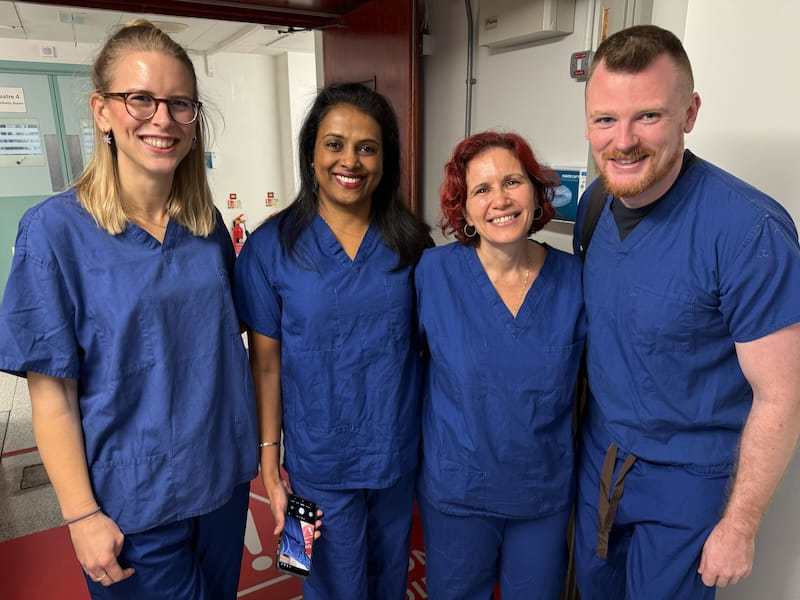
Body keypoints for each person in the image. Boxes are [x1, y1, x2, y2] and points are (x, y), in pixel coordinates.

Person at [0, 20, 259, 599]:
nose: (162, 119)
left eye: (179, 103)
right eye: (140, 99)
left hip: (219, 480)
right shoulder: (53, 234)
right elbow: (52, 394)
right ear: (102, 111)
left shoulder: (204, 225)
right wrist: (81, 516)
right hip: (133, 503)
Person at [573, 24, 800, 599]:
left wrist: (740, 525)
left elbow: (783, 395)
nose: (622, 140)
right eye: (605, 119)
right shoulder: (595, 203)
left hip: (688, 483)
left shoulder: (750, 232)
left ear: (689, 112)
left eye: (647, 116)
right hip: (601, 463)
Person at [233, 82, 432, 600]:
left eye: (367, 147)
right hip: (312, 464)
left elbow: (427, 349)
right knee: (315, 578)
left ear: (385, 161)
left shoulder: (413, 244)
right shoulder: (268, 248)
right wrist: (269, 463)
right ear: (311, 153)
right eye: (335, 144)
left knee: (388, 579)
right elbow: (266, 365)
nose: (351, 160)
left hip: (393, 456)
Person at [415, 131, 586, 599]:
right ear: (464, 209)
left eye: (512, 182)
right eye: (481, 190)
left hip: (541, 493)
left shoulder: (574, 281)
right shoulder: (433, 274)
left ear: (534, 192)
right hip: (458, 492)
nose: (500, 200)